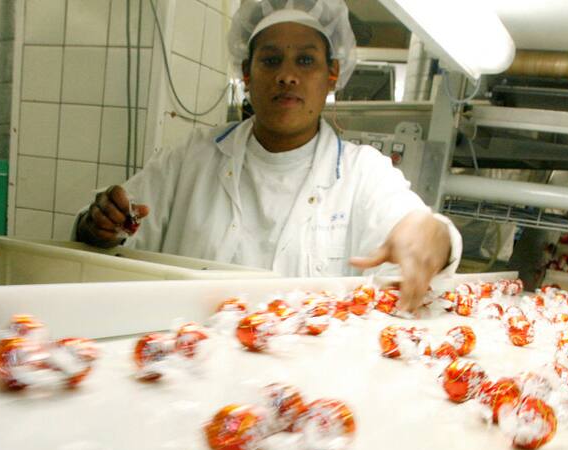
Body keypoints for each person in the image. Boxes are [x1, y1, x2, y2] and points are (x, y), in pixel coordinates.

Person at [74, 0, 462, 312]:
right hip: (190, 369)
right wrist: (100, 228)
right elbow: (113, 239)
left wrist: (435, 236)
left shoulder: (364, 173)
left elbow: (419, 230)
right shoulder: (190, 159)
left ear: (332, 75)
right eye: (271, 60)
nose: (287, 76)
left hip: (305, 388)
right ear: (247, 72)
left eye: (306, 61)